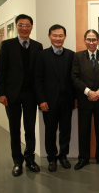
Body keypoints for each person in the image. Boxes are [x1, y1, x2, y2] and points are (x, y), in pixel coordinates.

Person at [0, 14, 43, 176]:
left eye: (27, 25)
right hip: (12, 95)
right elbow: (1, 71)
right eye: (21, 25)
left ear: (31, 27)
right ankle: (17, 161)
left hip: (31, 95)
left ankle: (30, 159)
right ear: (17, 27)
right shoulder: (7, 45)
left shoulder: (38, 46)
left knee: (30, 129)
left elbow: (39, 73)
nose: (24, 28)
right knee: (14, 129)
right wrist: (1, 93)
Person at [35, 24, 76, 172]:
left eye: (60, 36)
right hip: (49, 102)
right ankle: (51, 158)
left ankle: (63, 156)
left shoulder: (71, 55)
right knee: (50, 131)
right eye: (55, 35)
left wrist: (75, 98)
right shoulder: (42, 55)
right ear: (49, 36)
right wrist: (41, 100)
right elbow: (38, 79)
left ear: (65, 37)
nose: (58, 38)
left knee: (65, 130)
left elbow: (74, 79)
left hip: (67, 101)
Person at [71, 29, 99, 170]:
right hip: (84, 99)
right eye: (88, 39)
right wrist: (88, 92)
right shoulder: (78, 56)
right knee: (84, 130)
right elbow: (74, 77)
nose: (91, 42)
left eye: (93, 39)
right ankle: (83, 158)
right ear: (84, 40)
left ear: (98, 41)